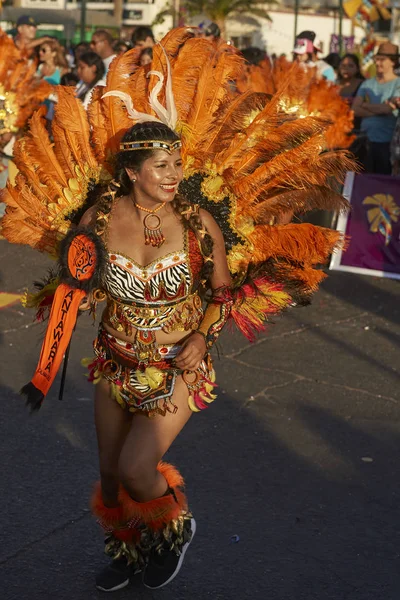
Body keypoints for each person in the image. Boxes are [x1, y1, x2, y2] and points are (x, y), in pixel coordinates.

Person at [1, 29, 354, 595]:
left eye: (177, 164)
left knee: (142, 468)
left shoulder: (198, 223)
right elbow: (78, 281)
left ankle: (174, 526)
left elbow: (222, 293)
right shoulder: (95, 218)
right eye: (161, 165)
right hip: (114, 360)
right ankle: (129, 547)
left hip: (176, 365)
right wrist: (72, 303)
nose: (172, 175)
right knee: (112, 478)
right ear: (133, 171)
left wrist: (202, 341)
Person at [353, 42, 400, 174]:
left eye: (382, 60)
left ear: (393, 62)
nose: (377, 63)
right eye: (376, 59)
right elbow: (355, 109)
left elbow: (388, 109)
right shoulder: (367, 83)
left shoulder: (398, 83)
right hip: (364, 140)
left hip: (386, 144)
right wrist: (380, 109)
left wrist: (365, 105)